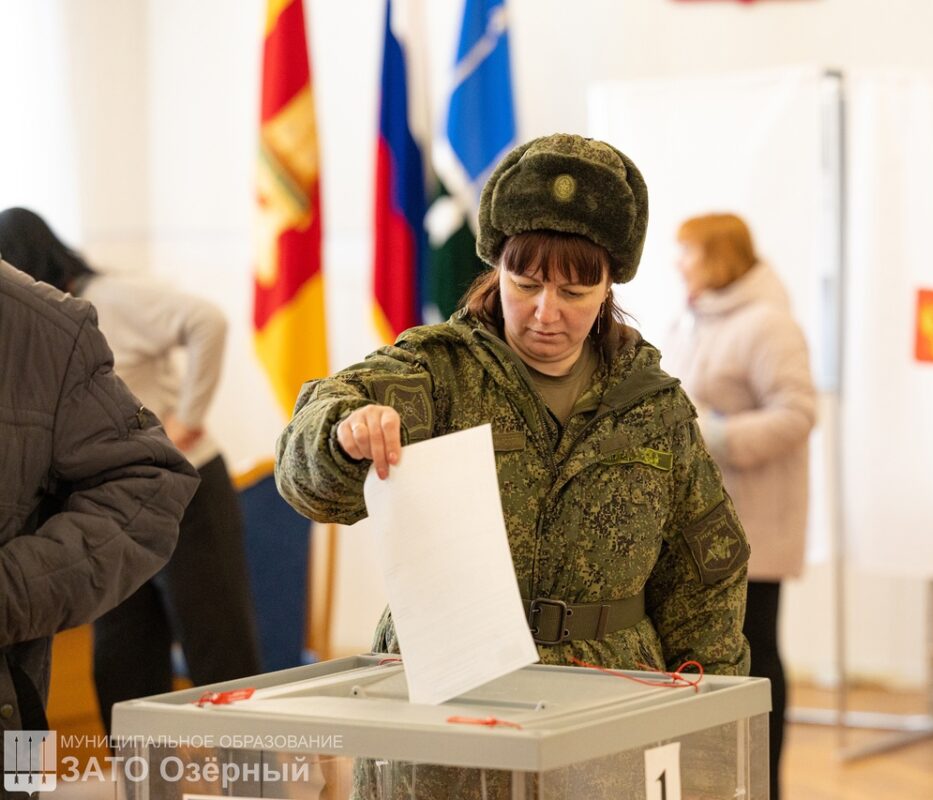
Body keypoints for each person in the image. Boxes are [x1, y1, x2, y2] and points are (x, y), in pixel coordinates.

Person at [275, 134, 752, 798]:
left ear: (611, 283)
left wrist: (709, 750)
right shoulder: (438, 373)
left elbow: (705, 585)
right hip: (447, 701)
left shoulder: (651, 406)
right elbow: (308, 470)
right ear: (495, 268)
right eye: (524, 284)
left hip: (605, 708)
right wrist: (340, 436)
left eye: (577, 290)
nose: (546, 313)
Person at [0, 208, 262, 735]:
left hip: (185, 486)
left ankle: (256, 786)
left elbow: (207, 319)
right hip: (86, 483)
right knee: (124, 660)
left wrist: (187, 418)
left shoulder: (89, 303)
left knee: (218, 652)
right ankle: (142, 786)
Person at [0, 259, 198, 737]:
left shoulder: (46, 324)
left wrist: (12, 589)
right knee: (124, 661)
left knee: (213, 651)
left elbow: (150, 482)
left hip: (13, 721)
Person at [661, 212, 817, 800]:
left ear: (721, 257)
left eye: (688, 253)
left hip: (753, 527)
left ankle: (764, 786)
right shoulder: (693, 317)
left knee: (756, 653)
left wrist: (715, 436)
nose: (678, 266)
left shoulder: (768, 325)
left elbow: (798, 414)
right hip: (702, 529)